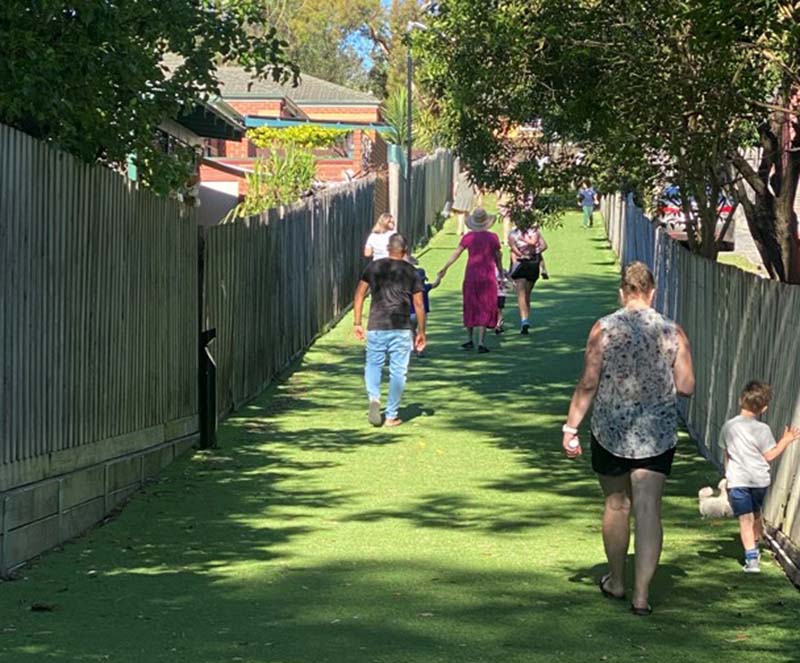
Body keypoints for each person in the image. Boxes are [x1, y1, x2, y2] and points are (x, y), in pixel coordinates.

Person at [562, 261, 695, 616]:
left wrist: (571, 427)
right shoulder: (672, 332)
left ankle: (617, 580)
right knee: (649, 507)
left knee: (617, 504)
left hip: (611, 431)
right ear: (652, 292)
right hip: (657, 432)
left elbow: (589, 381)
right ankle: (642, 594)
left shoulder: (604, 329)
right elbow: (686, 386)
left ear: (623, 292)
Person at [719, 381, 800, 573]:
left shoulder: (729, 427)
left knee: (747, 518)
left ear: (741, 400)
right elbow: (770, 455)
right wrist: (786, 440)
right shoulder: (762, 429)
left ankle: (752, 552)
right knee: (753, 515)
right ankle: (752, 554)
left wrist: (728, 474)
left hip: (738, 480)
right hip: (759, 481)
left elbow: (726, 454)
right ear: (764, 407)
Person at [353, 234, 426, 427]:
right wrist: (421, 331)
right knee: (398, 371)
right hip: (401, 327)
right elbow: (418, 304)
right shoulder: (412, 272)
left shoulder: (374, 267)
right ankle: (391, 415)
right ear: (405, 250)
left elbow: (360, 294)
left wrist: (357, 322)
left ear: (387, 248)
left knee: (373, 364)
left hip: (376, 324)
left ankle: (374, 398)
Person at [437, 208, 502, 353]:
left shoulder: (469, 237)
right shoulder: (493, 237)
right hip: (487, 274)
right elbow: (498, 256)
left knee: (471, 303)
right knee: (485, 304)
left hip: (472, 274)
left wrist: (445, 267)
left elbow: (457, 252)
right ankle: (481, 342)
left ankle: (469, 339)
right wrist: (501, 272)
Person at [508, 222, 548, 334]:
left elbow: (513, 247)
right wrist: (535, 252)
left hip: (520, 263)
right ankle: (525, 319)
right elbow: (544, 245)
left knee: (521, 294)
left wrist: (521, 254)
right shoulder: (534, 231)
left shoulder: (513, 233)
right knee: (526, 294)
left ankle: (524, 320)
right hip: (533, 262)